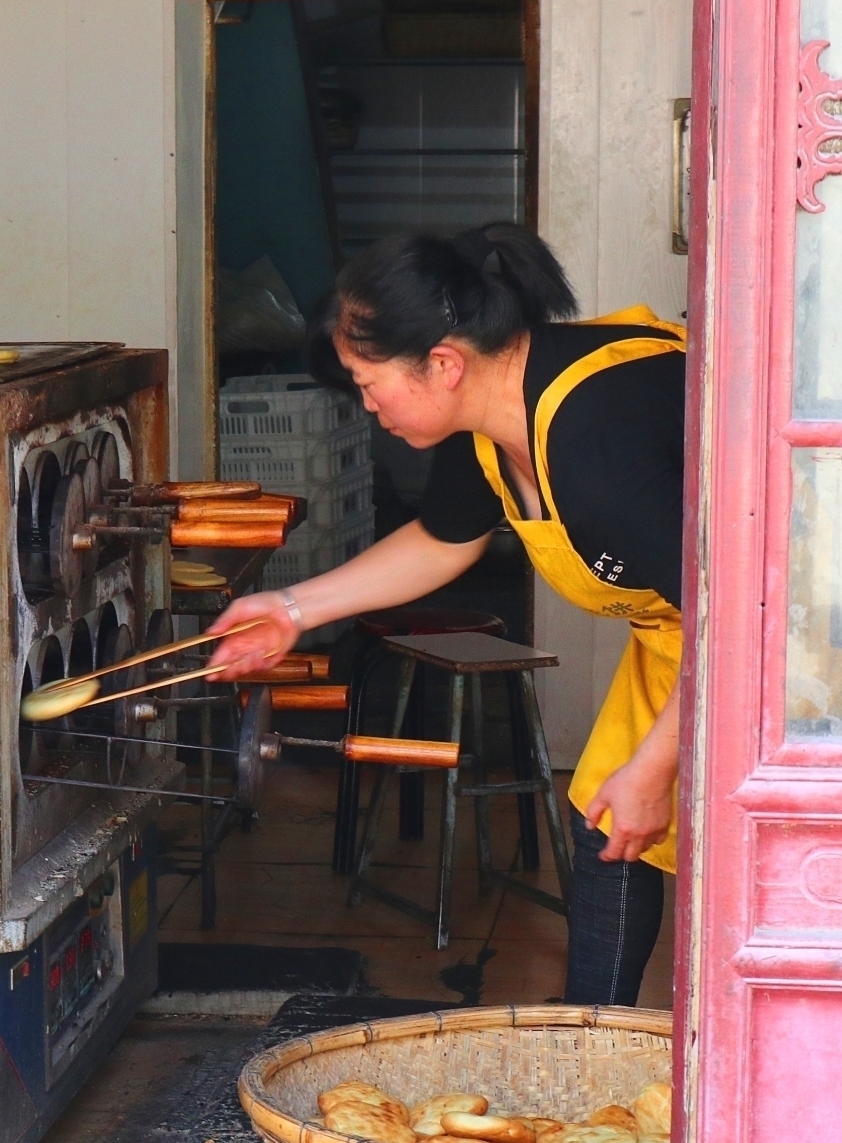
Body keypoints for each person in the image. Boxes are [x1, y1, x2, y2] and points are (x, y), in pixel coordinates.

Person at [206, 221, 686, 1007]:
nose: (366, 405)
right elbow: (442, 540)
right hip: (691, 637)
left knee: (723, 856)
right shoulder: (495, 417)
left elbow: (738, 615)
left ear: (443, 363)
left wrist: (658, 765)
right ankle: (588, 1049)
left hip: (780, 645)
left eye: (368, 382)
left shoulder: (592, 435)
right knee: (611, 834)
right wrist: (291, 608)